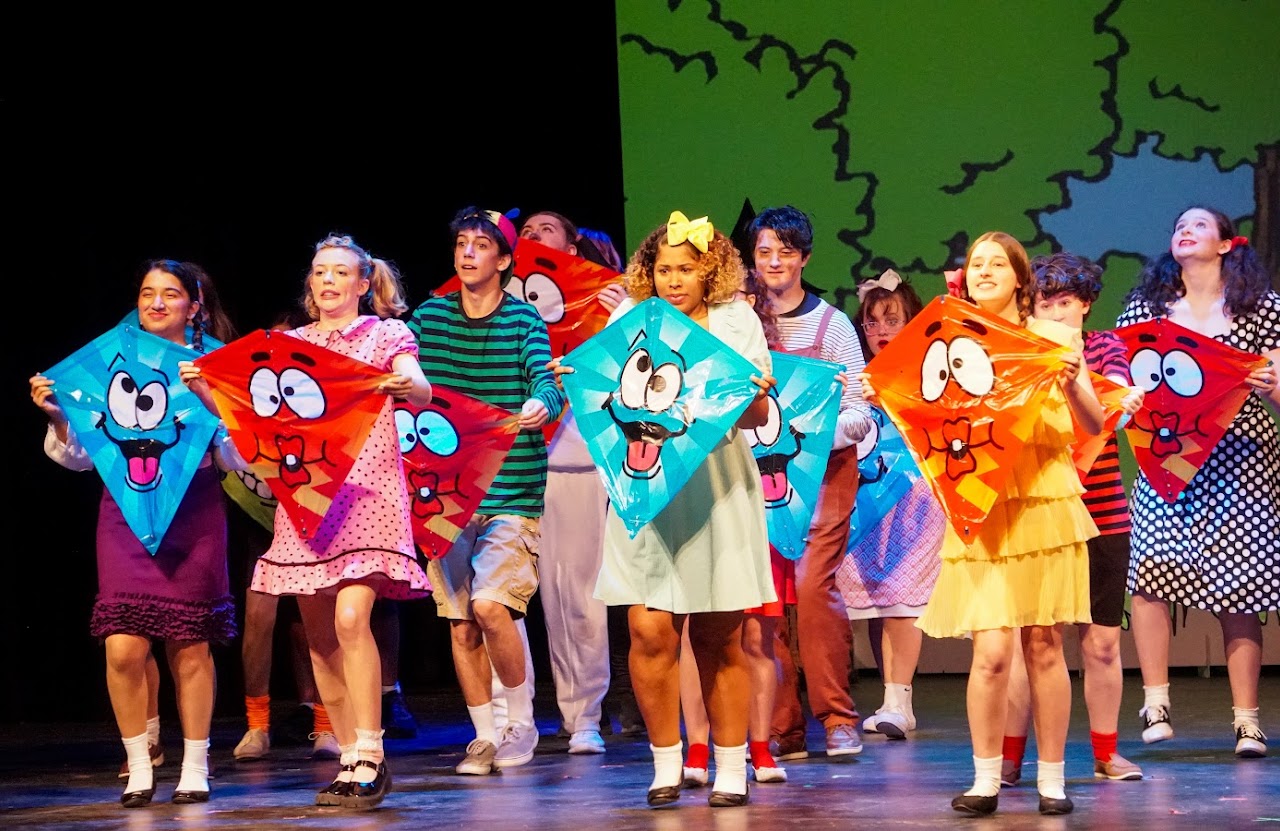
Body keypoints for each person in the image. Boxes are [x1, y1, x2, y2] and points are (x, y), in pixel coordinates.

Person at [186, 233, 433, 809]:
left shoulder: (384, 335)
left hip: (369, 496)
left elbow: (418, 387)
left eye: (340, 272)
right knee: (320, 642)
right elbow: (252, 423)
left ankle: (371, 752)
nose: (328, 281)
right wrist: (202, 390)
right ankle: (349, 758)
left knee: (351, 619)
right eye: (320, 272)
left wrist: (408, 384)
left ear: (363, 283)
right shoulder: (290, 346)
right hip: (308, 502)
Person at [862, 231, 1105, 816]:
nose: (985, 272)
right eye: (977, 264)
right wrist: (884, 392)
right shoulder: (945, 339)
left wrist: (1071, 380)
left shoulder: (1052, 338)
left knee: (1044, 646)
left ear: (1020, 278)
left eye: (998, 263)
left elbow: (1095, 423)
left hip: (1042, 502)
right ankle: (986, 779)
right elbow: (924, 414)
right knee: (992, 652)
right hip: (980, 507)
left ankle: (1052, 780)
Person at [552, 210, 777, 808]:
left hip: (716, 490)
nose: (674, 279)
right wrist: (577, 378)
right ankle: (666, 763)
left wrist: (746, 394)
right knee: (648, 630)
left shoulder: (735, 320)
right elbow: (606, 394)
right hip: (646, 490)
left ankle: (732, 767)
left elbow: (759, 414)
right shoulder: (631, 317)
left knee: (719, 636)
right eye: (663, 269)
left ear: (710, 272)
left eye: (686, 268)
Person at [32, 258, 241, 807]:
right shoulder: (107, 363)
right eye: (147, 292)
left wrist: (213, 401)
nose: (156, 302)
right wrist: (58, 415)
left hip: (193, 513)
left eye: (170, 293)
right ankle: (140, 763)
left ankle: (195, 765)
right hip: (124, 514)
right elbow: (80, 458)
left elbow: (240, 458)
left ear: (193, 306)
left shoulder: (217, 365)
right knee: (123, 648)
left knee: (190, 645)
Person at [1117, 206, 1280, 758]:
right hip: (1169, 452)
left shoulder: (1261, 308)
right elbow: (1125, 375)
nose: (1185, 231)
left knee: (1240, 584)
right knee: (1150, 569)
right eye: (1179, 226)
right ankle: (1156, 701)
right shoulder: (1148, 306)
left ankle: (1247, 720)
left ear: (1227, 244)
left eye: (1199, 225)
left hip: (1241, 456)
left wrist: (1266, 384)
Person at [407, 207, 565, 775]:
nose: (468, 253)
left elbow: (547, 381)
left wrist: (541, 402)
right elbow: (404, 370)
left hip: (510, 487)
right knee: (461, 621)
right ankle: (482, 735)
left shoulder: (523, 320)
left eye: (480, 244)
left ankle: (520, 722)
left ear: (503, 259)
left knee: (491, 606)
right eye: (461, 243)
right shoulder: (430, 317)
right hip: (444, 491)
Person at [999, 252, 1148, 784]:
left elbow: (1111, 402)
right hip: (1041, 514)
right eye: (1045, 303)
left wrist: (1115, 396)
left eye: (1066, 303)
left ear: (1085, 305)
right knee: (1033, 643)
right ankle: (1011, 757)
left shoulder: (1104, 347)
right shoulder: (1020, 352)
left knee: (1102, 642)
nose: (1056, 313)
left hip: (1102, 512)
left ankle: (1106, 753)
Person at [747, 205, 874, 760]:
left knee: (812, 589)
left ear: (805, 258)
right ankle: (783, 726)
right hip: (759, 480)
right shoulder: (741, 322)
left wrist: (813, 434)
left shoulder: (832, 325)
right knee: (767, 596)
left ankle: (838, 717)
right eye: (764, 252)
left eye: (786, 252)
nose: (774, 262)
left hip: (823, 476)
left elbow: (859, 411)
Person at [518, 210, 626, 754]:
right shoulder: (506, 305)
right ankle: (511, 720)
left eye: (546, 230)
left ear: (572, 246)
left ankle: (584, 714)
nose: (533, 237)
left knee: (578, 593)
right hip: (516, 461)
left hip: (580, 461)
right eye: (526, 232)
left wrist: (623, 313)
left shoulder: (605, 303)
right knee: (515, 597)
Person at [679, 267, 791, 787]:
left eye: (744, 297)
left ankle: (760, 747)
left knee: (756, 634)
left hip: (752, 506)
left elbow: (771, 421)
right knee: (695, 632)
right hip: (692, 494)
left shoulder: (762, 362)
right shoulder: (676, 348)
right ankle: (698, 747)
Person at [843, 269, 944, 740]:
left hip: (915, 497)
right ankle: (889, 697)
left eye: (892, 320)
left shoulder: (932, 369)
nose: (880, 330)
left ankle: (899, 702)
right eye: (871, 322)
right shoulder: (853, 377)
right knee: (875, 603)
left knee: (903, 601)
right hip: (864, 500)